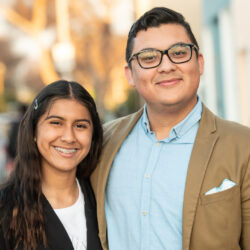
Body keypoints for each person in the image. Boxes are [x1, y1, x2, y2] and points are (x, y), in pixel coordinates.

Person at [90, 7, 250, 250]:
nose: (166, 66)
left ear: (199, 63)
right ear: (130, 74)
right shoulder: (102, 143)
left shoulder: (243, 146)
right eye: (148, 57)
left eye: (178, 52)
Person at [0, 80, 103, 250]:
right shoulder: (5, 209)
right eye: (56, 123)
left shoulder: (103, 201)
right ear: (33, 129)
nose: (69, 137)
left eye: (80, 125)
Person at [6, 103, 27, 173]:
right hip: (25, 155)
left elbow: (11, 139)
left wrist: (10, 156)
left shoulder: (15, 123)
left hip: (15, 154)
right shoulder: (29, 124)